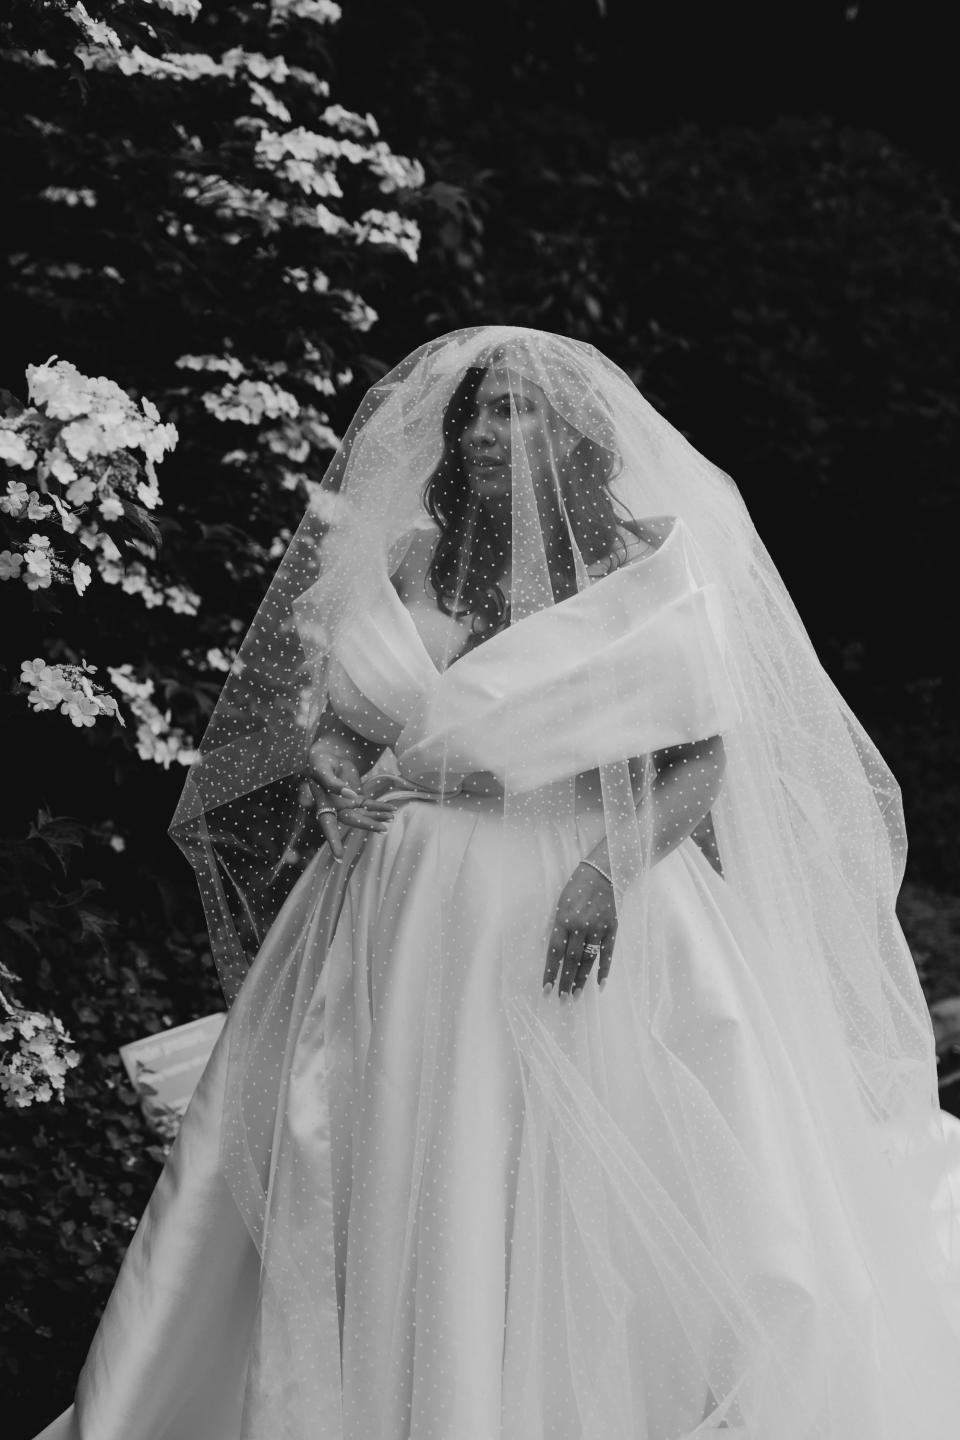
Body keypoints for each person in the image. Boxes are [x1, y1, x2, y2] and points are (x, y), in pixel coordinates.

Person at [32, 326, 960, 1440]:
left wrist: (607, 870)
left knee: (532, 1166)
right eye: (477, 407)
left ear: (572, 435)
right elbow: (337, 718)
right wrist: (336, 773)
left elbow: (702, 755)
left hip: (565, 900)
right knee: (367, 1147)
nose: (482, 428)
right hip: (389, 905)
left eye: (514, 409)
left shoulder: (641, 567)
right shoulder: (415, 555)